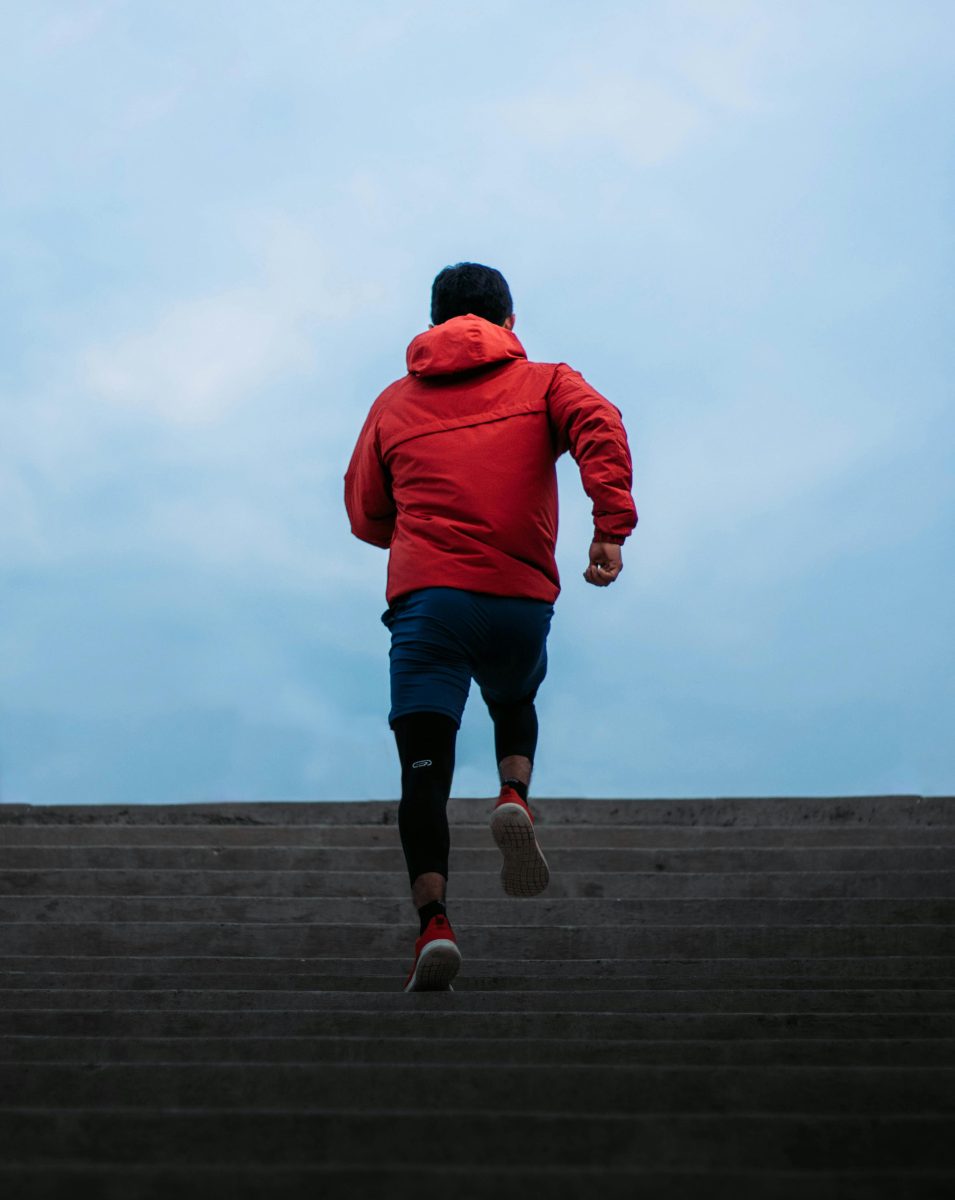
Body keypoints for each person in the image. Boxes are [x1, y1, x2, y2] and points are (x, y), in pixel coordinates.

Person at [344, 262, 637, 991]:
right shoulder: (546, 381)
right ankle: (513, 795)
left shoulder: (392, 402)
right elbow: (601, 426)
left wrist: (419, 532)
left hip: (428, 604)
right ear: (507, 321)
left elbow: (363, 513)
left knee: (422, 770)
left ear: (435, 321)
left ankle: (434, 925)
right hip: (516, 598)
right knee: (512, 697)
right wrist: (610, 527)